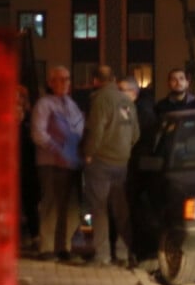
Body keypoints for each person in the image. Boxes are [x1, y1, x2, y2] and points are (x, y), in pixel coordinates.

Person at [82, 66, 140, 266]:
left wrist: (89, 154)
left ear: (95, 81)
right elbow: (136, 134)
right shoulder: (126, 101)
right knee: (121, 210)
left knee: (99, 209)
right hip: (122, 162)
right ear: (114, 79)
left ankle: (102, 255)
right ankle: (123, 253)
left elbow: (96, 130)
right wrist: (124, 150)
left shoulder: (99, 99)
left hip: (101, 161)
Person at [30, 66, 85, 261]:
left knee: (70, 207)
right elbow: (38, 133)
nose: (64, 83)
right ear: (50, 82)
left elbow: (79, 130)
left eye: (67, 79)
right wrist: (57, 149)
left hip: (71, 164)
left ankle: (64, 247)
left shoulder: (72, 105)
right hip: (51, 163)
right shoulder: (44, 104)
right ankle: (47, 247)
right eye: (59, 79)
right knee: (51, 204)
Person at [17, 84, 41, 253]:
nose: (17, 100)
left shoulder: (30, 119)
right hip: (11, 168)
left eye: (20, 97)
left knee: (30, 203)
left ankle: (34, 236)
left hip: (28, 166)